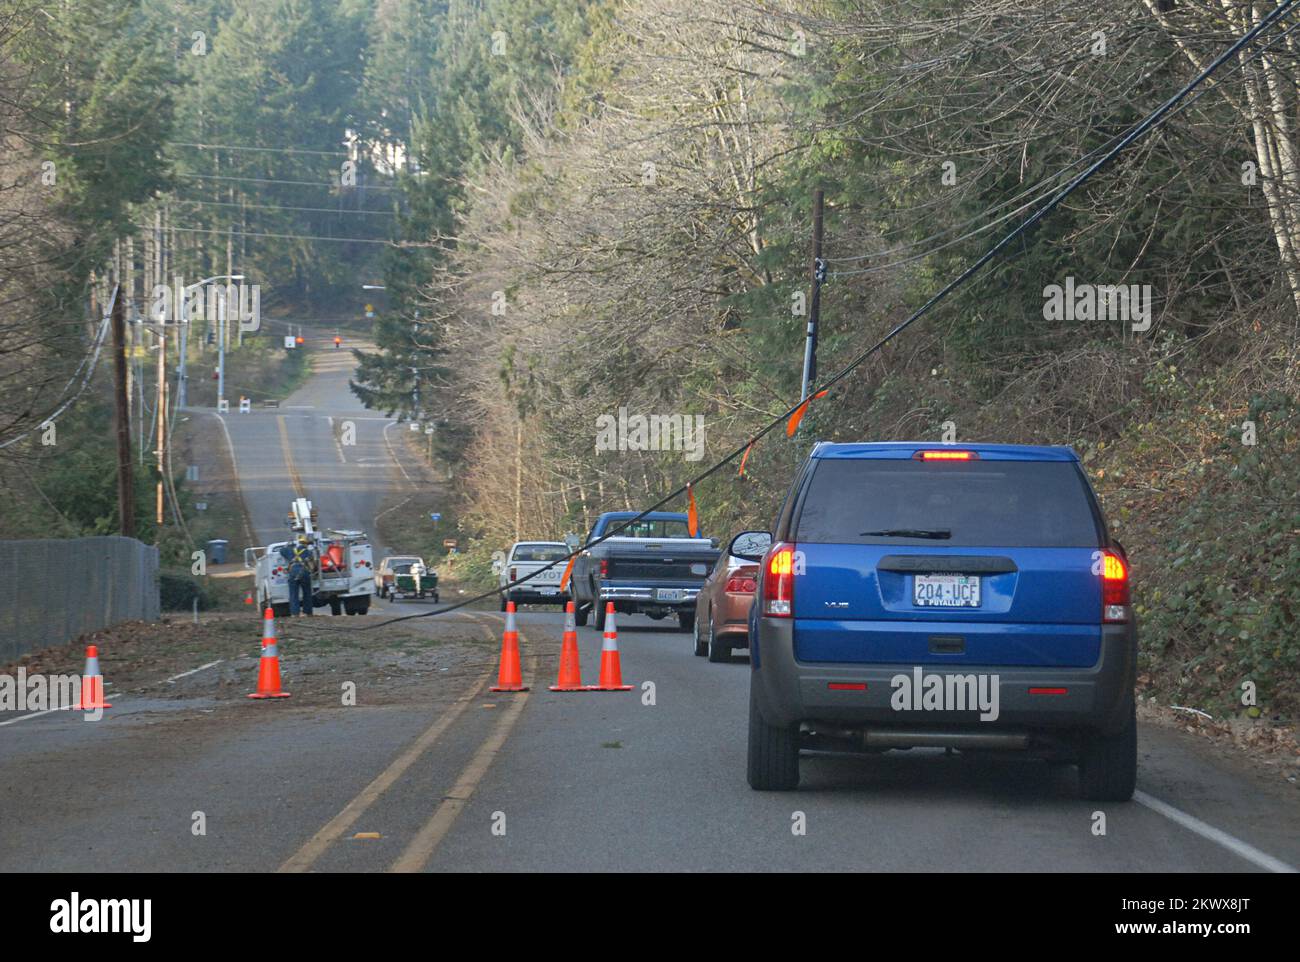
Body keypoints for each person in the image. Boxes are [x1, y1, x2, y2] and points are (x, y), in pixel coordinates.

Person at [279, 535, 317, 617]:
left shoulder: (290, 550)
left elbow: (281, 551)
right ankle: (308, 612)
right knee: (307, 593)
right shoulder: (308, 552)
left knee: (293, 594)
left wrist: (288, 544)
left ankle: (295, 613)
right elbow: (313, 566)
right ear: (306, 544)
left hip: (293, 573)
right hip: (304, 572)